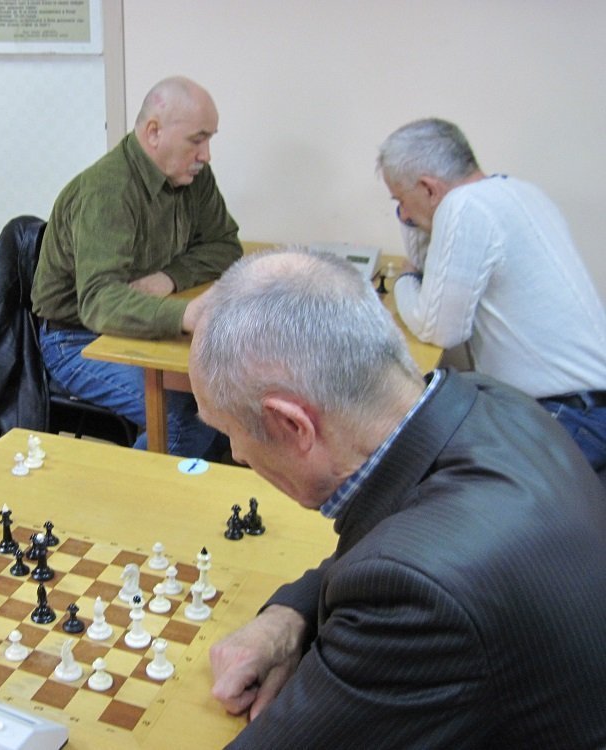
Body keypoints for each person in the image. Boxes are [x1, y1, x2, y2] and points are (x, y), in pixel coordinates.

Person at [191, 249, 606, 748]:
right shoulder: (488, 403)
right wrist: (289, 617)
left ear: (292, 425)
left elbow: (413, 576)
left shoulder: (416, 596)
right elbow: (404, 543)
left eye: (227, 432)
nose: (237, 455)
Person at [377, 117, 606, 471]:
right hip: (587, 408)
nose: (404, 214)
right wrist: (415, 223)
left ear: (429, 188)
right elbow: (430, 269)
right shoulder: (520, 191)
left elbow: (438, 329)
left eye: (401, 201)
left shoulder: (465, 206)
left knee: (419, 463)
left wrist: (405, 280)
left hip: (568, 418)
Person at [31, 75, 242, 458]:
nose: (206, 155)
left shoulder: (193, 177)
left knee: (224, 401)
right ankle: (128, 493)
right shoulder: (106, 191)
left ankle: (186, 485)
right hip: (75, 339)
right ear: (154, 132)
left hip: (136, 325)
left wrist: (170, 278)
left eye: (209, 139)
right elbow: (99, 303)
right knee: (186, 419)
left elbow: (225, 245)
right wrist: (186, 314)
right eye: (197, 140)